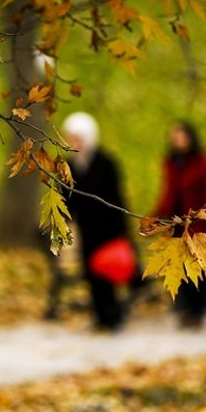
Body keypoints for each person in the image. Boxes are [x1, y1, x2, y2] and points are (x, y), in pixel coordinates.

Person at [152, 120, 206, 328]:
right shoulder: (172, 164)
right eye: (174, 136)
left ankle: (198, 312)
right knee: (180, 268)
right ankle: (185, 310)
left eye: (181, 135)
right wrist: (155, 217)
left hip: (200, 225)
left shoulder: (204, 163)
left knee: (200, 270)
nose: (177, 140)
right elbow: (167, 194)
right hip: (177, 225)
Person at [61, 112, 132, 331]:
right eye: (72, 137)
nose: (75, 142)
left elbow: (117, 197)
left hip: (108, 227)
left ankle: (113, 314)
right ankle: (100, 314)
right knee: (91, 273)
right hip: (85, 228)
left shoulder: (106, 162)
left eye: (79, 137)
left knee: (107, 271)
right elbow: (66, 198)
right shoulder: (68, 165)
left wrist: (121, 230)